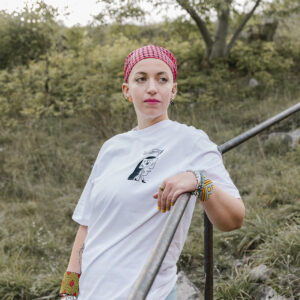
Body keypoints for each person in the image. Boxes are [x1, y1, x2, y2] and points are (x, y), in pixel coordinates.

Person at [59, 45, 245, 300]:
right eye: (141, 78)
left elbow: (234, 218)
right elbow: (87, 224)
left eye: (162, 79)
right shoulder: (111, 147)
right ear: (127, 90)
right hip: (91, 293)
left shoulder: (191, 141)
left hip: (148, 293)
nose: (152, 88)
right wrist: (69, 290)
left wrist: (201, 182)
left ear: (173, 90)